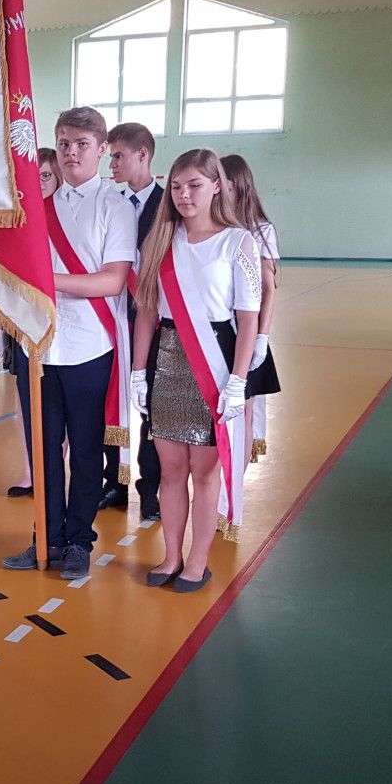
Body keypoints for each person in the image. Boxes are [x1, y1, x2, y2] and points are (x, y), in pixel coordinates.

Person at [4, 107, 135, 580]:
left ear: (102, 149)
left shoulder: (115, 207)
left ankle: (79, 540)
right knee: (42, 449)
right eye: (64, 144)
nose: (71, 153)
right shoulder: (36, 209)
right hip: (38, 346)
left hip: (88, 346)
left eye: (82, 144)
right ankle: (47, 537)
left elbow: (113, 280)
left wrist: (47, 281)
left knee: (83, 450)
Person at [131, 148, 263, 593]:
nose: (184, 194)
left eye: (195, 185)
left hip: (215, 364)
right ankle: (171, 555)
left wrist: (238, 380)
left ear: (217, 187)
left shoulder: (239, 242)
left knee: (205, 473)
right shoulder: (160, 241)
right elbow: (147, 312)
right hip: (167, 360)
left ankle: (198, 561)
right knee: (170, 470)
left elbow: (248, 318)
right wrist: (138, 372)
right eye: (177, 186)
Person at [106, 121, 165, 519]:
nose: (111, 164)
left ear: (142, 155)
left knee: (151, 408)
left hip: (153, 321)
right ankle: (114, 481)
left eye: (118, 156)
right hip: (112, 318)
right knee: (109, 401)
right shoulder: (112, 204)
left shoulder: (169, 206)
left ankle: (150, 489)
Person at [5, 147, 66, 499]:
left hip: (62, 325)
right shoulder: (21, 219)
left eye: (45, 175)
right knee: (25, 399)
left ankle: (56, 470)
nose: (39, 182)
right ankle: (33, 471)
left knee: (58, 406)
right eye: (33, 176)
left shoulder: (67, 217)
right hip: (24, 323)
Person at [220, 154, 282, 462]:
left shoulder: (260, 230)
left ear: (241, 188)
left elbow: (268, 290)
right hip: (219, 327)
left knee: (244, 408)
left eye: (227, 187)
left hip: (247, 329)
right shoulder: (213, 227)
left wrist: (261, 337)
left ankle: (235, 483)